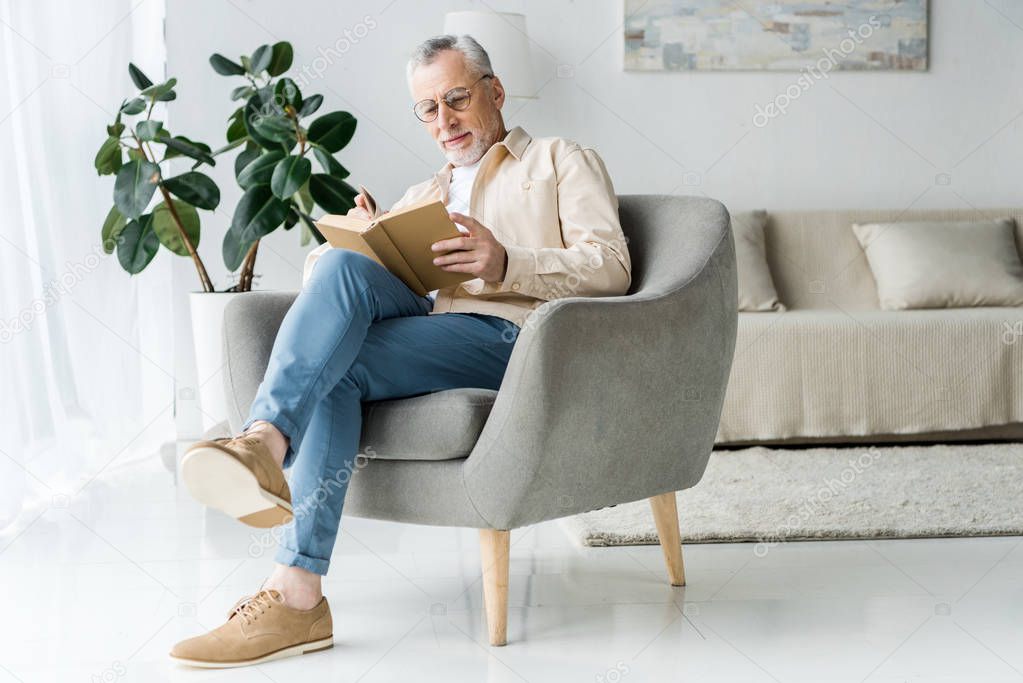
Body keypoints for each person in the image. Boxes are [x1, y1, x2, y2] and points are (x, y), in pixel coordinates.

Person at [169, 33, 631, 668]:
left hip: (515, 340)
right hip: (427, 329)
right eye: (428, 108)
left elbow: (610, 267)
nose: (444, 121)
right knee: (337, 308)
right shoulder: (426, 192)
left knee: (337, 358)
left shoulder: (559, 160)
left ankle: (270, 474)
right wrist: (361, 240)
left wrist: (506, 261)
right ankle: (293, 580)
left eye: (457, 99)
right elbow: (325, 285)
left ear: (495, 93)